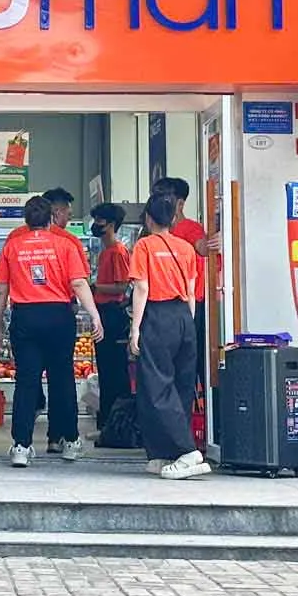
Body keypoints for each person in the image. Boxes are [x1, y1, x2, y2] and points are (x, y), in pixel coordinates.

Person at [0, 196, 101, 467]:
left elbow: (2, 291)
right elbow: (78, 283)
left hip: (25, 317)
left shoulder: (13, 246)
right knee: (62, 379)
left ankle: (21, 445)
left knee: (27, 381)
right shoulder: (65, 245)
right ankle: (70, 441)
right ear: (51, 218)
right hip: (58, 316)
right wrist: (94, 314)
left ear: (26, 221)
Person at [128, 192, 211, 481]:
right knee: (182, 386)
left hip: (158, 316)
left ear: (148, 219)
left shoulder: (144, 246)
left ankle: (187, 452)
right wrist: (188, 322)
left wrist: (135, 328)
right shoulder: (186, 248)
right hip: (184, 316)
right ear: (174, 218)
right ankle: (165, 452)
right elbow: (190, 290)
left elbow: (142, 288)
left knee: (156, 386)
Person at [87, 203, 136, 448]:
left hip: (113, 316)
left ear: (111, 225)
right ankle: (106, 425)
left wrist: (94, 286)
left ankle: (115, 426)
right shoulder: (106, 251)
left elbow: (122, 286)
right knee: (106, 372)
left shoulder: (117, 252)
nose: (96, 225)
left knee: (113, 372)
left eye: (100, 221)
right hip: (105, 313)